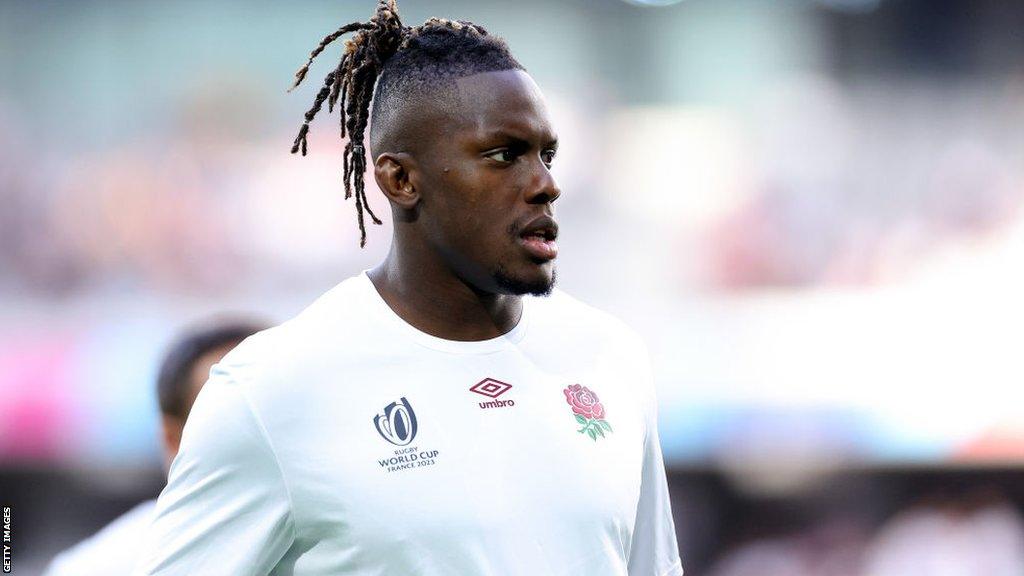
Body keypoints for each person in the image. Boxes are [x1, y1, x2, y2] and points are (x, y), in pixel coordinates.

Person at [136, 1, 683, 574]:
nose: (546, 184)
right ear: (400, 178)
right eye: (503, 155)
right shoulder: (273, 390)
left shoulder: (611, 358)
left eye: (546, 155)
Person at [43, 319, 267, 576]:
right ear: (173, 439)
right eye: (226, 422)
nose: (258, 437)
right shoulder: (108, 565)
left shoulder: (319, 546)